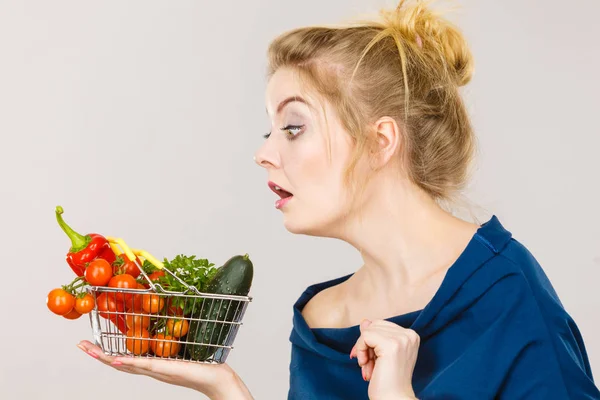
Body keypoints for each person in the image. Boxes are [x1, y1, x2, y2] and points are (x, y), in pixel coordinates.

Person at [77, 1, 600, 399]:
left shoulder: (509, 296)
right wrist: (226, 391)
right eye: (269, 130)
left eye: (293, 126)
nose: (263, 153)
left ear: (380, 141)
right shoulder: (322, 319)